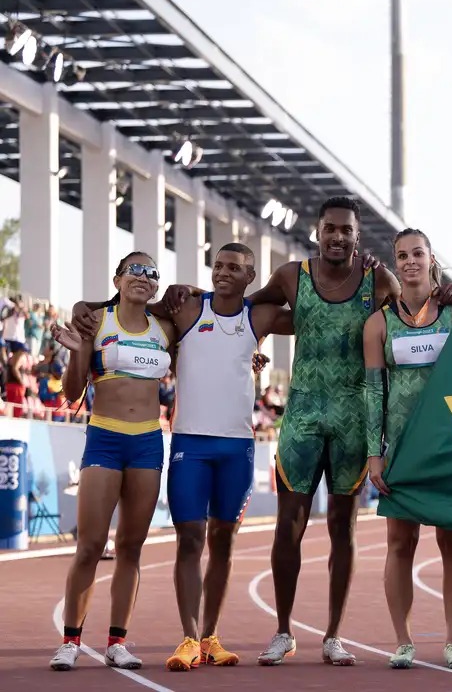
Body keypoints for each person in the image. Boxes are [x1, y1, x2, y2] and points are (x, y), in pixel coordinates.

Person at [158, 197, 452, 667]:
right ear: (317, 232)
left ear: (358, 236)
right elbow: (237, 310)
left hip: (353, 419)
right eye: (330, 229)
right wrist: (190, 295)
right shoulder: (289, 276)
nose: (338, 236)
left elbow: (410, 312)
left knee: (344, 527)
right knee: (289, 527)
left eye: (346, 230)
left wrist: (446, 296)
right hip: (300, 417)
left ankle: (333, 635)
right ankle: (283, 631)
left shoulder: (377, 278)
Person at [70, 244, 296, 671]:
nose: (223, 273)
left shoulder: (258, 316)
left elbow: (312, 315)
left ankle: (211, 636)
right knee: (189, 540)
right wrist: (86, 305)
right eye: (218, 266)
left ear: (250, 277)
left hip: (237, 447)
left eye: (235, 268)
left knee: (223, 542)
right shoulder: (186, 309)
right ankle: (189, 638)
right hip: (190, 444)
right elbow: (133, 302)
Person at [48, 252, 177, 671]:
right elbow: (71, 394)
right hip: (104, 438)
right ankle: (70, 641)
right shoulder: (95, 323)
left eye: (151, 272)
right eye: (134, 270)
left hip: (147, 443)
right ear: (118, 279)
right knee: (89, 546)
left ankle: (117, 642)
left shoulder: (166, 330)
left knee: (131, 548)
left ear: (156, 286)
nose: (143, 276)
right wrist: (74, 352)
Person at [363, 228, 452, 670]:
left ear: (431, 260)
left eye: (418, 254)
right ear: (395, 263)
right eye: (402, 255)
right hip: (403, 446)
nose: (410, 261)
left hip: (450, 446)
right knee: (400, 543)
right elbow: (373, 391)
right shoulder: (379, 323)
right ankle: (403, 641)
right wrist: (376, 452)